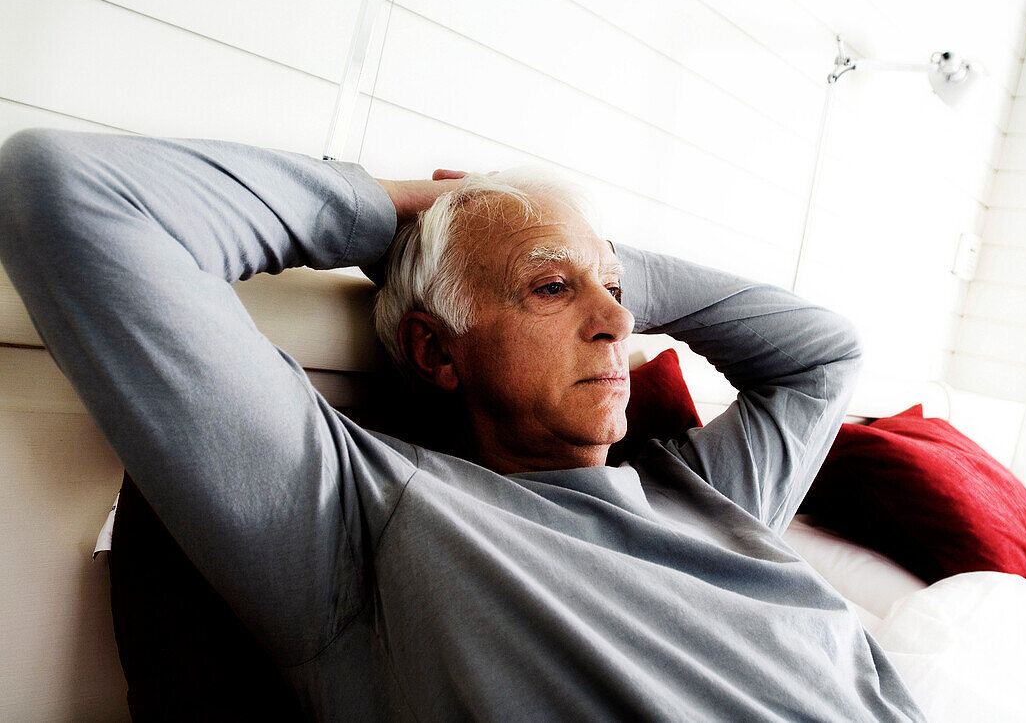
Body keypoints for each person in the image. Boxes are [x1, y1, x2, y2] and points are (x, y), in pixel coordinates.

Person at [0, 129, 924, 721]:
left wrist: (583, 247)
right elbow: (68, 191)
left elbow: (825, 353)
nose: (617, 323)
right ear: (438, 354)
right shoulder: (370, 518)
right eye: (550, 289)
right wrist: (400, 209)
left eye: (618, 292)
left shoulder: (704, 497)